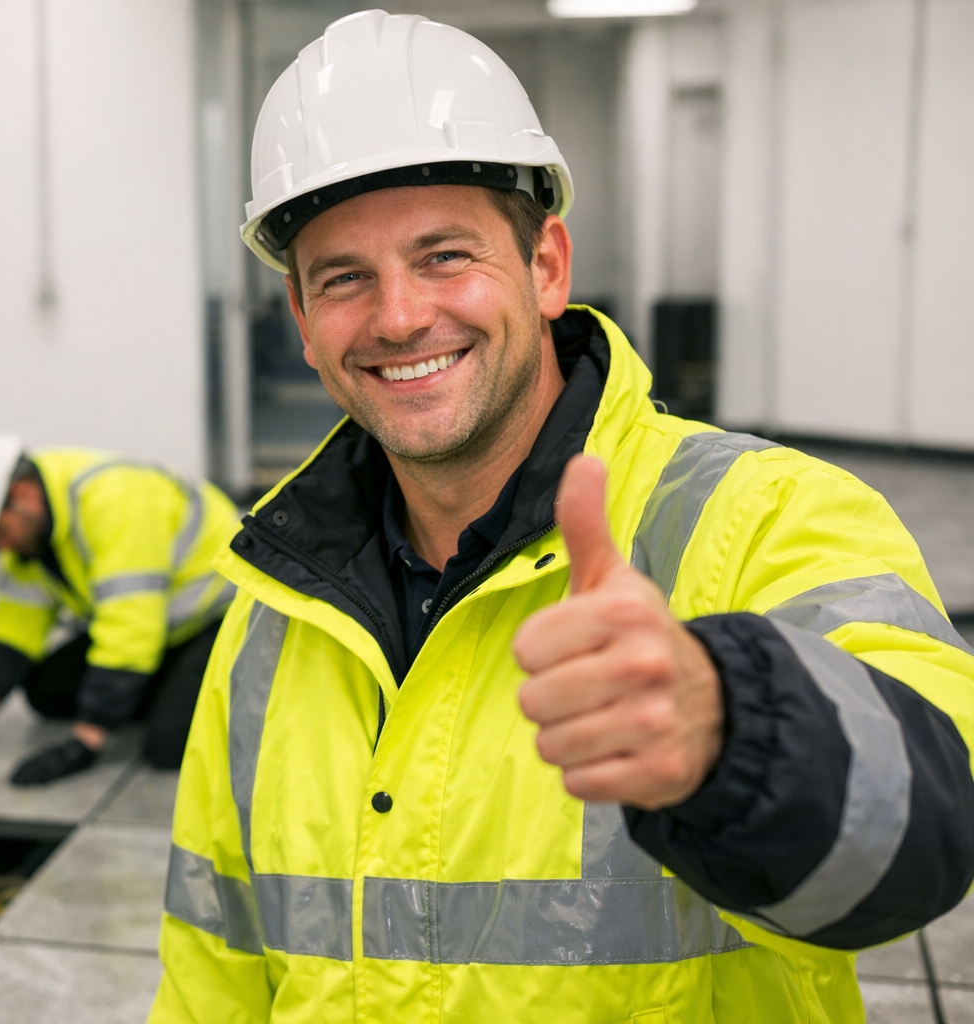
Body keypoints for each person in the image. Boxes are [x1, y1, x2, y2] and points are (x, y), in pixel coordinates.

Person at [152, 11, 974, 1022]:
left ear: (547, 265)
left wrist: (736, 732)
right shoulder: (270, 611)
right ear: (305, 324)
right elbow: (211, 969)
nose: (400, 315)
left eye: (445, 255)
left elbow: (930, 829)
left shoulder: (762, 514)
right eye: (345, 278)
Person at [0, 433, 240, 784]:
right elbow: (16, 621)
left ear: (23, 496)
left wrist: (85, 742)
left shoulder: (115, 502)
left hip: (220, 620)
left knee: (168, 744)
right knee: (45, 692)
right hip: (161, 624)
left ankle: (216, 690)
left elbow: (130, 627)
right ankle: (164, 686)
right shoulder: (37, 523)